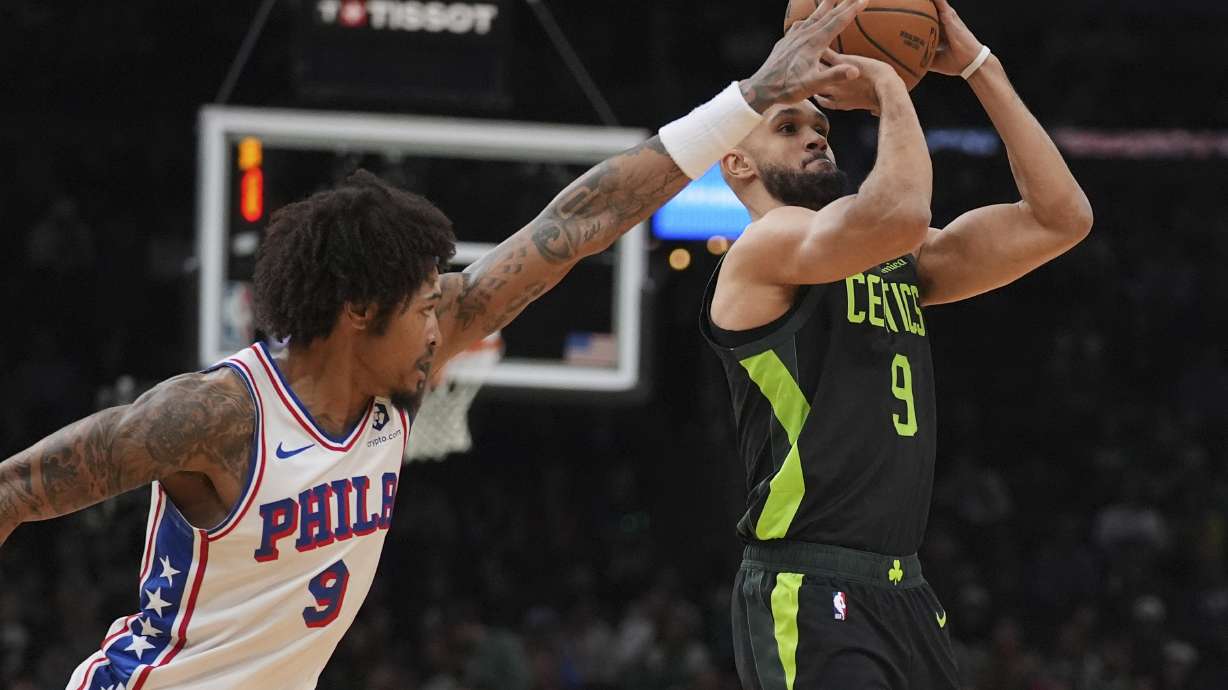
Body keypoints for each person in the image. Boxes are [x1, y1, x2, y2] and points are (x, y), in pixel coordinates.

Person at [0, 2, 872, 688]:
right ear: (354, 312)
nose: (447, 319)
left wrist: (748, 98)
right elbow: (15, 491)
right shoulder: (214, 415)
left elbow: (583, 217)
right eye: (424, 305)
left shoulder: (411, 359)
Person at [700, 1, 1094, 688]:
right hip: (810, 581)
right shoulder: (763, 250)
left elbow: (1062, 219)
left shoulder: (897, 258)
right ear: (735, 163)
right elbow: (902, 212)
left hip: (905, 588)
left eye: (820, 125)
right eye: (788, 126)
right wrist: (888, 82)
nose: (816, 135)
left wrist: (979, 66)